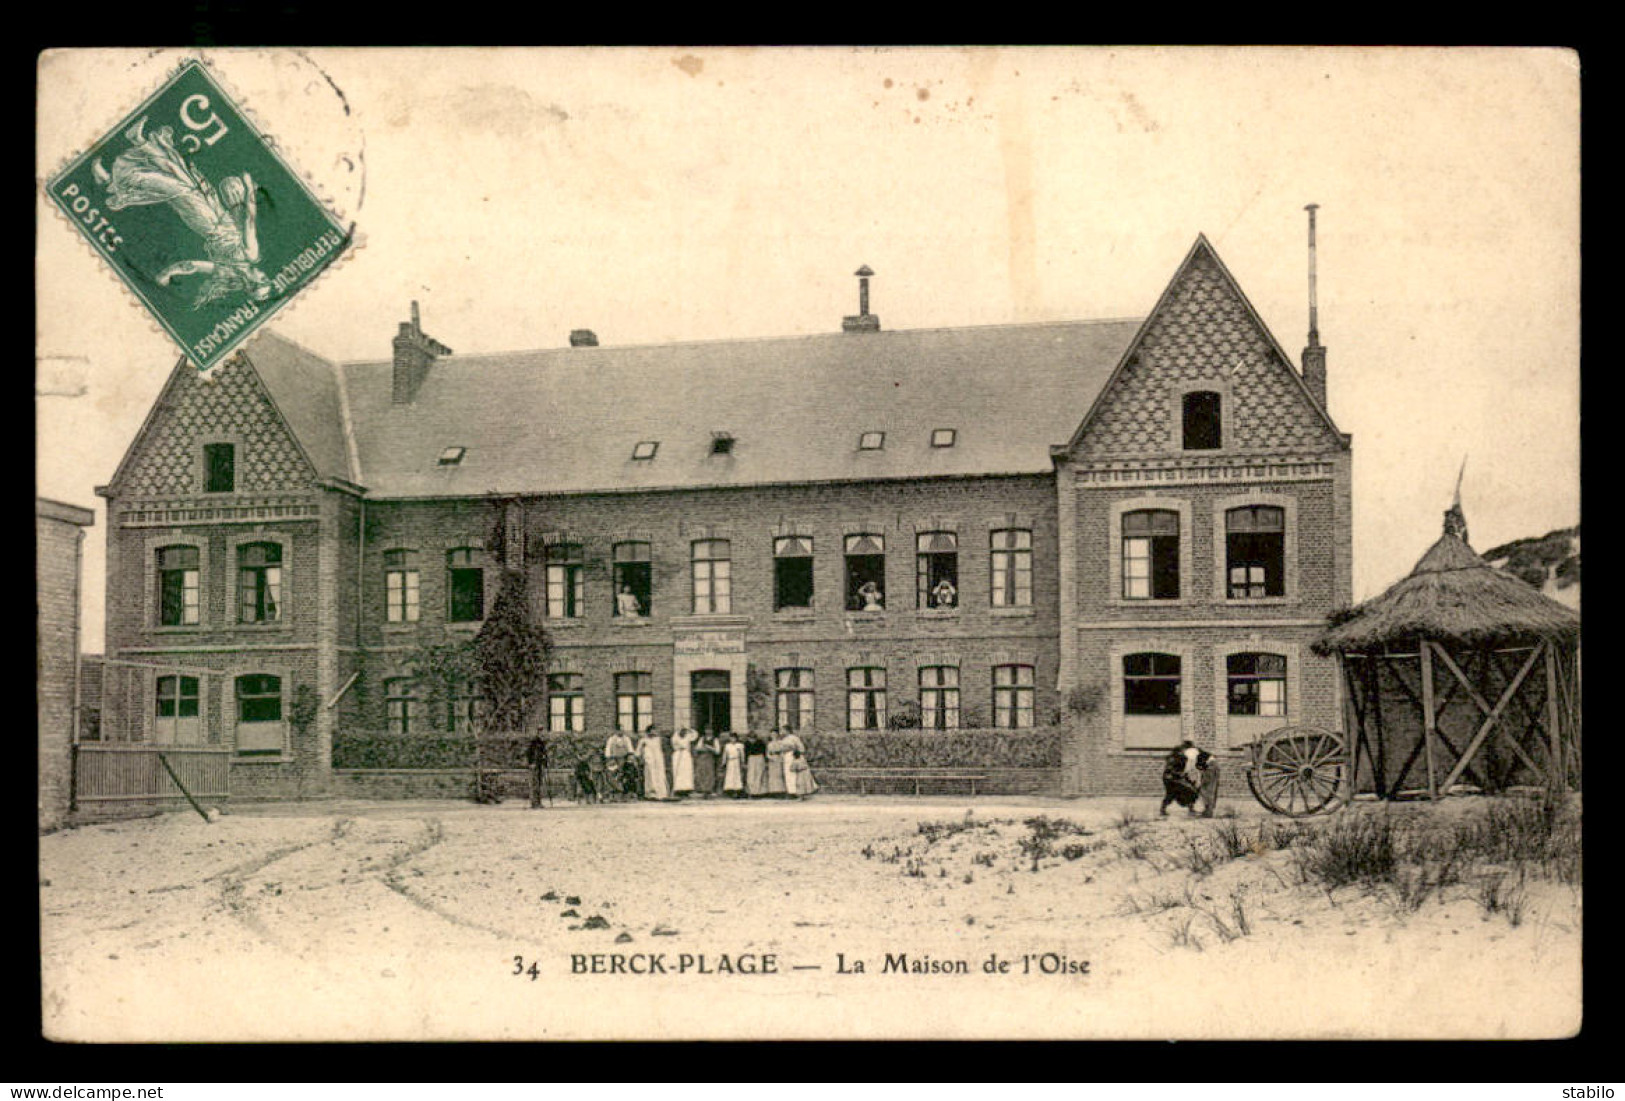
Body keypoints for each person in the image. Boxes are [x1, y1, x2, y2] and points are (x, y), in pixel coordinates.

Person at [1160, 741, 1200, 816]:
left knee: (1190, 790)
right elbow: (1170, 769)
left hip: (1175, 778)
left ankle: (1190, 808)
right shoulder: (1175, 757)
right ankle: (1163, 809)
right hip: (1171, 779)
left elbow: (1184, 770)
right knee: (1172, 794)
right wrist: (1180, 775)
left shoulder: (1181, 757)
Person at [780, 729, 817, 797]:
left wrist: (797, 754)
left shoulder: (794, 738)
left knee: (794, 774)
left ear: (788, 730)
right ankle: (791, 791)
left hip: (793, 756)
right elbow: (782, 748)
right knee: (788, 773)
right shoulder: (784, 739)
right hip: (786, 757)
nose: (782, 732)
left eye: (784, 730)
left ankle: (797, 791)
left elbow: (800, 748)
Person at [637, 727, 670, 800]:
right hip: (649, 759)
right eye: (651, 732)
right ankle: (651, 794)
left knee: (660, 775)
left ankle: (661, 793)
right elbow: (638, 751)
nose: (653, 734)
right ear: (648, 732)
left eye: (654, 732)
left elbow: (664, 748)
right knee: (650, 775)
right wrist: (641, 758)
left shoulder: (658, 740)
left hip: (658, 760)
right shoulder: (643, 740)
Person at [692, 728, 721, 797]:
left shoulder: (715, 739)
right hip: (702, 757)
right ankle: (702, 789)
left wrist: (709, 748)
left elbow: (717, 751)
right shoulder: (702, 739)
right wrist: (702, 748)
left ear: (712, 731)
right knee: (701, 772)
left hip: (710, 757)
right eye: (707, 730)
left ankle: (709, 789)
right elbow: (697, 748)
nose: (708, 731)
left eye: (710, 730)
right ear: (705, 731)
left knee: (709, 773)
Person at [670, 727, 698, 797]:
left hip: (686, 755)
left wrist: (690, 729)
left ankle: (687, 789)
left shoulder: (688, 736)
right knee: (678, 772)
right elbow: (673, 745)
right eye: (682, 731)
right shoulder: (675, 737)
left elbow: (695, 736)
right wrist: (678, 748)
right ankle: (678, 789)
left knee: (686, 772)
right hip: (677, 754)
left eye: (685, 732)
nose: (683, 733)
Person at [525, 733, 549, 809]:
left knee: (539, 784)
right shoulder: (533, 743)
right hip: (534, 766)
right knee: (534, 784)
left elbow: (544, 755)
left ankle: (538, 802)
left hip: (539, 766)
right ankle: (534, 803)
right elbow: (529, 753)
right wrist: (531, 763)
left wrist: (545, 763)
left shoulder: (542, 744)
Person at [1196, 748, 1221, 818]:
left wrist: (1200, 783)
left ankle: (1209, 811)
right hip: (1212, 770)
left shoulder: (1210, 764)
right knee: (1210, 791)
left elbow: (1206, 780)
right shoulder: (1213, 762)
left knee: (1207, 791)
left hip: (1210, 771)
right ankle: (1208, 810)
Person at [744, 729, 769, 797]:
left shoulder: (760, 742)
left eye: (753, 738)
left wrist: (765, 761)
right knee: (751, 775)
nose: (752, 739)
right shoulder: (746, 743)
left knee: (759, 774)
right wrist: (745, 763)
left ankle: (759, 792)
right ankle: (752, 792)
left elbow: (764, 752)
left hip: (759, 758)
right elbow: (746, 753)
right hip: (751, 759)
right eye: (750, 738)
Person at [764, 729, 789, 797]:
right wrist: (771, 757)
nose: (773, 736)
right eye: (772, 734)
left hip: (778, 759)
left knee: (779, 775)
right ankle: (773, 791)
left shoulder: (780, 742)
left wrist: (781, 758)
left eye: (775, 734)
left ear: (777, 735)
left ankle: (780, 791)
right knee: (772, 775)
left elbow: (783, 752)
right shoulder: (769, 744)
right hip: (772, 760)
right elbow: (767, 753)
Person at [722, 731, 746, 798]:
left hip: (737, 761)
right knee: (730, 775)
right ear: (729, 738)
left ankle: (737, 790)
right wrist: (723, 762)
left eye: (734, 738)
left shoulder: (740, 745)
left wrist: (743, 762)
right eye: (731, 738)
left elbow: (742, 754)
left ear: (736, 738)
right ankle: (730, 790)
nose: (733, 739)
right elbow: (725, 754)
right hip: (730, 761)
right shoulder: (727, 746)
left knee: (737, 775)